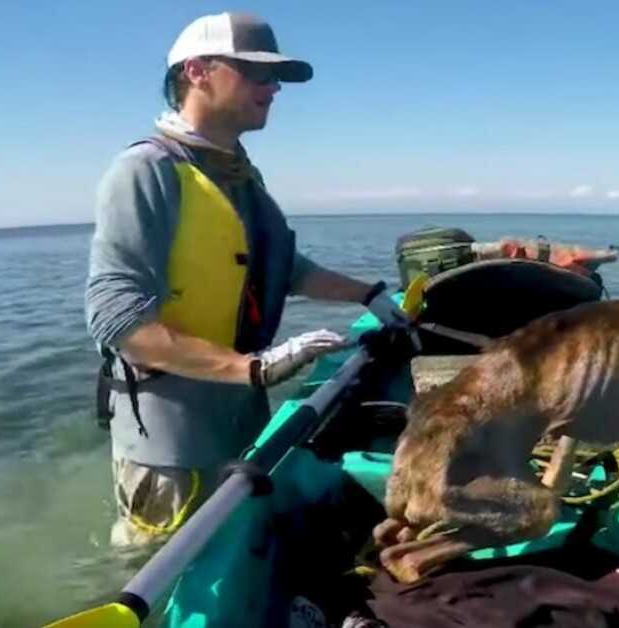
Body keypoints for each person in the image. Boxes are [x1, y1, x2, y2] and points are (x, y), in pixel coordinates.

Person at [84, 12, 406, 547]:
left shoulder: (238, 174)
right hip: (171, 445)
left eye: (275, 78)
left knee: (237, 550)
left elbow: (287, 270)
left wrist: (369, 295)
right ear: (197, 72)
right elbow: (115, 318)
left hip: (241, 419)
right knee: (157, 569)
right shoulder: (145, 171)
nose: (273, 88)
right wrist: (253, 367)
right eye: (256, 73)